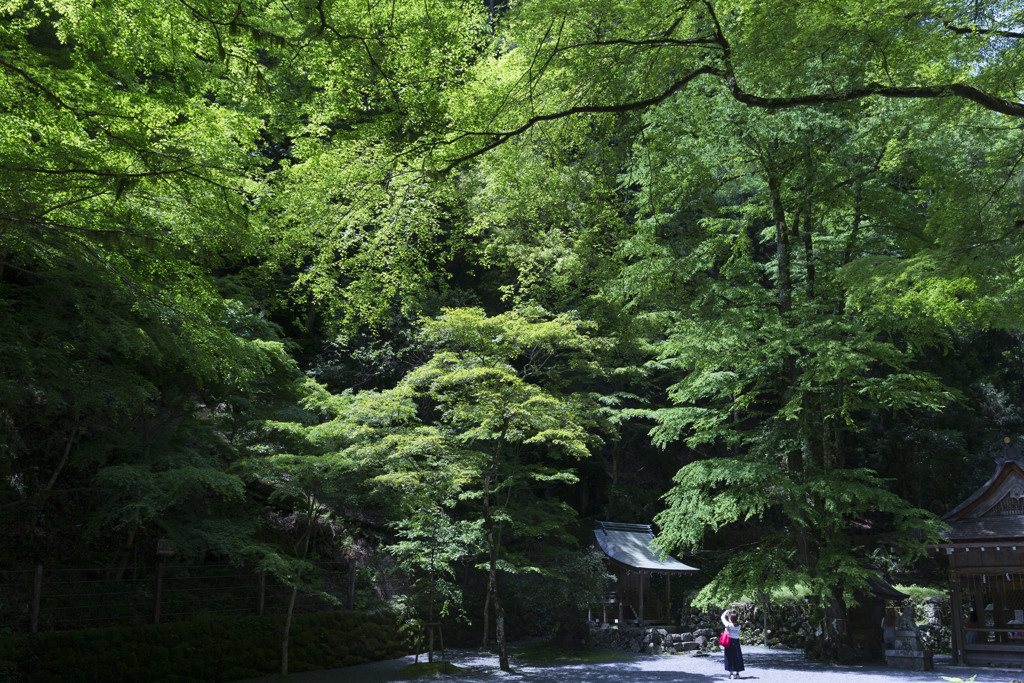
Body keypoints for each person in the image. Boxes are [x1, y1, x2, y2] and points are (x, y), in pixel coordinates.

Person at [721, 608, 745, 680]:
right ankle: (737, 674)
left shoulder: (728, 624)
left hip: (729, 642)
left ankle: (731, 674)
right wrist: (730, 617)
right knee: (737, 657)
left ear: (730, 618)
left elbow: (722, 617)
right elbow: (732, 622)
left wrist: (727, 611)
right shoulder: (738, 626)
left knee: (729, 657)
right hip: (736, 642)